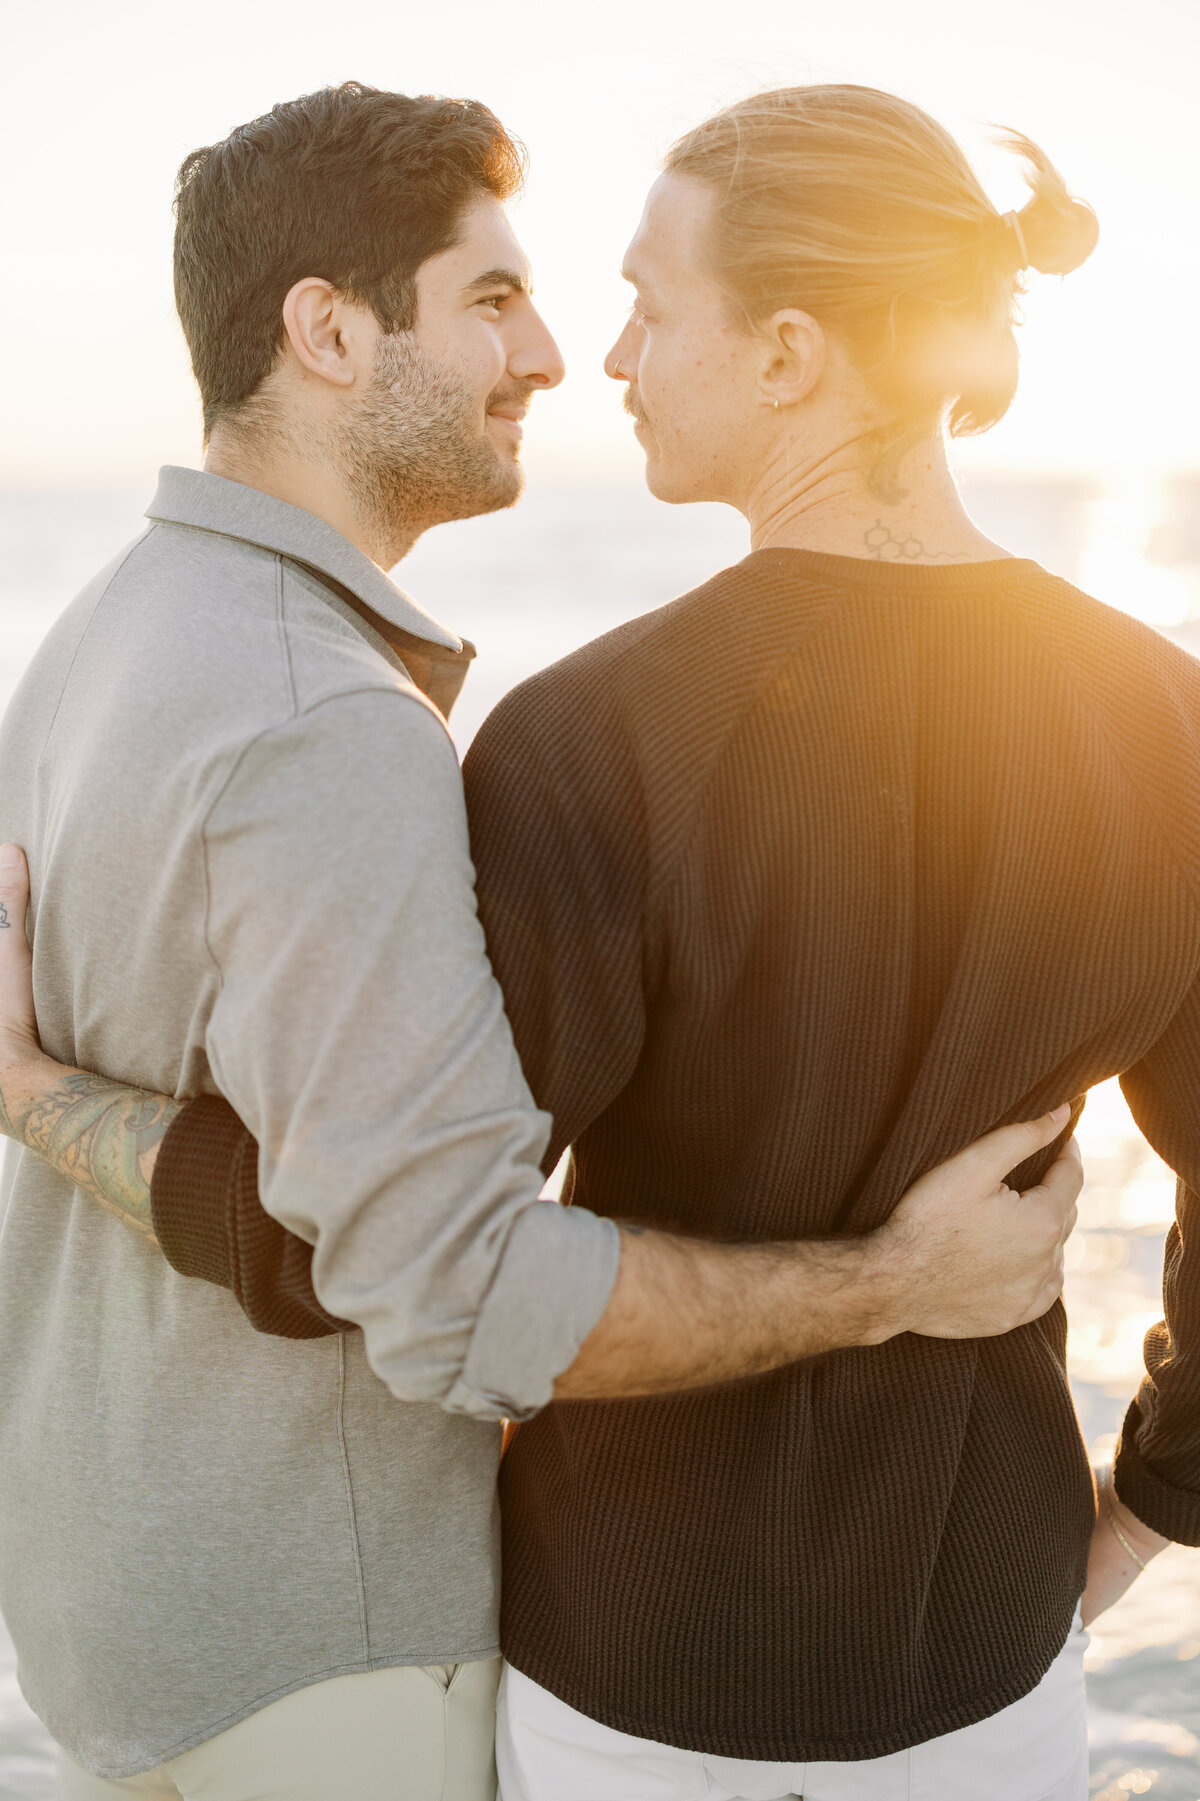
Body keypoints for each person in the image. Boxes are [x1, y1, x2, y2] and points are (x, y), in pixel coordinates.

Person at [0, 82, 1083, 1801]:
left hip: (180, 1612)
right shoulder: (331, 722)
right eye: (499, 297)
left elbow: (374, 1225)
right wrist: (949, 1330)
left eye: (631, 305)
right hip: (346, 1648)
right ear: (328, 331)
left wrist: (42, 1095)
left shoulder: (111, 635)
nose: (571, 355)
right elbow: (450, 1273)